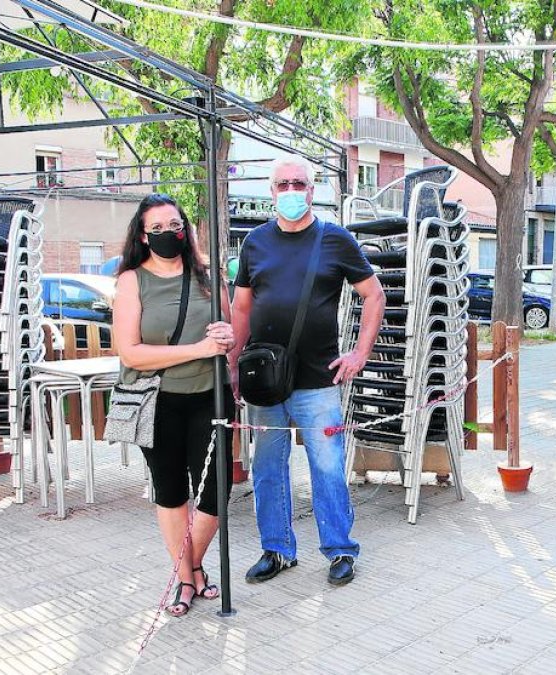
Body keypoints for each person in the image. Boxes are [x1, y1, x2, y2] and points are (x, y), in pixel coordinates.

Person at [230, 155, 386, 586]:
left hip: (319, 379)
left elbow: (374, 295)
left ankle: (340, 549)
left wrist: (359, 354)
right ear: (271, 191)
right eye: (283, 184)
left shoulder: (334, 239)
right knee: (267, 469)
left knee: (327, 468)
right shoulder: (255, 243)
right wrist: (233, 366)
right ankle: (277, 550)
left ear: (312, 191)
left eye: (298, 183)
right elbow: (241, 307)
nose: (291, 191)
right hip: (265, 381)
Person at [112, 193, 235, 617]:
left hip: (211, 396)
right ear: (144, 236)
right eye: (158, 228)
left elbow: (228, 328)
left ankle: (190, 566)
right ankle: (187, 578)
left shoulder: (207, 276)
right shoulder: (132, 281)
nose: (168, 234)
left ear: (187, 230)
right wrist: (198, 349)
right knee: (171, 490)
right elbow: (130, 353)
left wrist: (226, 339)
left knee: (215, 491)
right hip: (158, 400)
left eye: (175, 225)